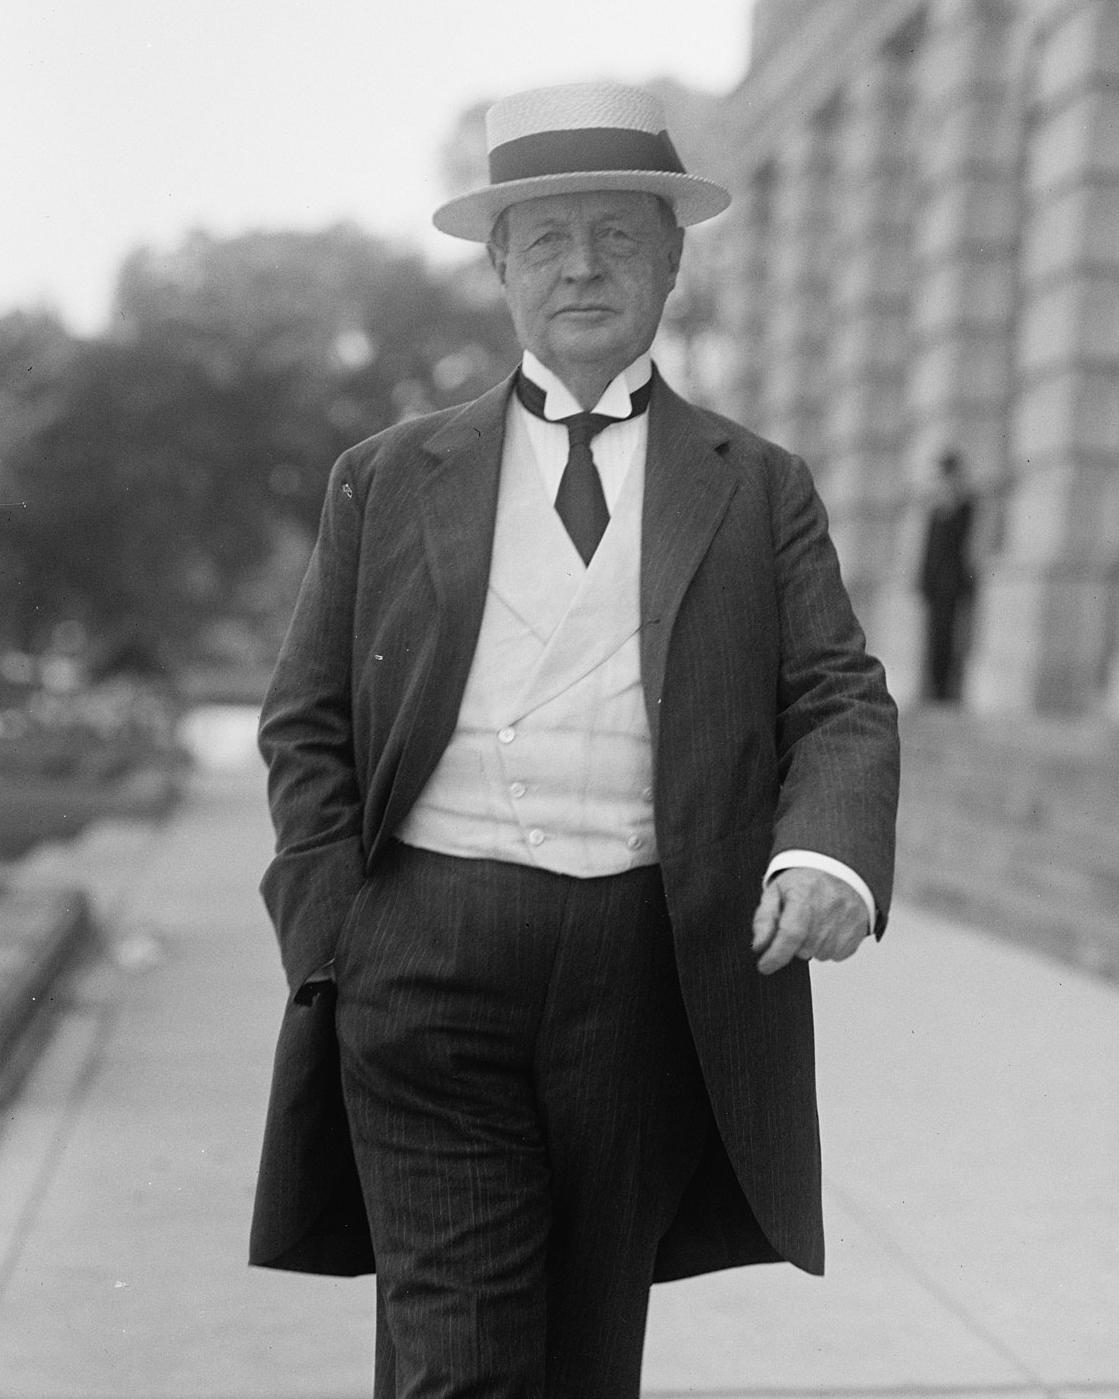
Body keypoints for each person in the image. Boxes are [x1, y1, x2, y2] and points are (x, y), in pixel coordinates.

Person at [249, 82, 900, 1399]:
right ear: (498, 264)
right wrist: (335, 934)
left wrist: (822, 856)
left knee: (583, 1355)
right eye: (546, 237)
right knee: (460, 1356)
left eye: (617, 234)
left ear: (670, 258)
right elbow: (306, 720)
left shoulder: (753, 480)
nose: (583, 266)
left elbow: (837, 694)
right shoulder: (387, 474)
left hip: (644, 958)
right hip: (424, 954)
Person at [918, 449, 976, 701]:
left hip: (954, 584)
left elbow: (968, 545)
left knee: (953, 638)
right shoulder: (935, 510)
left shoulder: (964, 506)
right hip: (934, 585)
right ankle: (933, 688)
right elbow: (928, 550)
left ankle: (947, 691)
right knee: (934, 636)